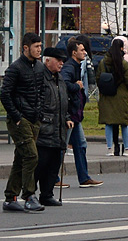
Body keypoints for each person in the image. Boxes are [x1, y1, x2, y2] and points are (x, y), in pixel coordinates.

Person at [2, 33, 45, 213]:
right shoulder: (15, 68)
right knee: (31, 155)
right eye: (36, 47)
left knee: (21, 157)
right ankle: (29, 195)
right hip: (20, 120)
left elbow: (41, 91)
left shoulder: (40, 67)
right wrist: (17, 116)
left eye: (40, 46)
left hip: (34, 119)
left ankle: (10, 197)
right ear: (25, 48)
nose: (39, 50)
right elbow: (4, 94)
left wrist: (40, 112)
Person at [59, 37, 102, 188]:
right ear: (73, 52)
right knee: (62, 146)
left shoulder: (76, 65)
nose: (85, 53)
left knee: (81, 145)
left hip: (76, 115)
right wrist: (77, 86)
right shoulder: (70, 67)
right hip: (70, 114)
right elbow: (63, 84)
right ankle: (53, 178)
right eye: (82, 50)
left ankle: (84, 178)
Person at [33, 47, 72, 208]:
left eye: (63, 60)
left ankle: (47, 194)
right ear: (47, 61)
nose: (61, 63)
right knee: (41, 164)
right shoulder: (41, 78)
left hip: (59, 129)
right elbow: (37, 102)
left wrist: (67, 117)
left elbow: (63, 102)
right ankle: (30, 194)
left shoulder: (59, 79)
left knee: (54, 165)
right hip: (45, 128)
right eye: (58, 60)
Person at [96, 38, 128, 157]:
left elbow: (98, 78)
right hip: (121, 95)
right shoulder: (123, 63)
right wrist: (126, 91)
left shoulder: (103, 62)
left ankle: (109, 149)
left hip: (107, 95)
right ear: (122, 48)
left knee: (108, 123)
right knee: (124, 123)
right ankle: (127, 149)